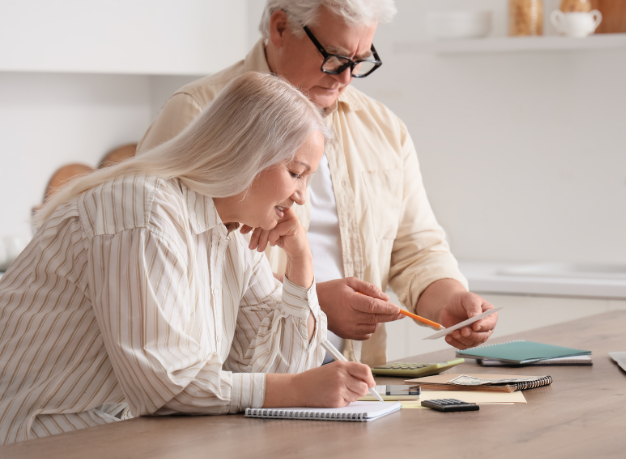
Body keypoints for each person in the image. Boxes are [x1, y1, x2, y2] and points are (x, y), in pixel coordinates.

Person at [0, 72, 377, 445]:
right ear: (247, 153)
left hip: (129, 432)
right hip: (40, 435)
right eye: (296, 173)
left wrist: (301, 262)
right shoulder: (143, 211)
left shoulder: (233, 232)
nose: (300, 197)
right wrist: (294, 390)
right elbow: (166, 386)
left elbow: (279, 369)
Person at [138, 0, 498, 365]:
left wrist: (449, 300)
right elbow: (162, 259)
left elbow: (416, 248)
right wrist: (312, 299)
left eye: (360, 62)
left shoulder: (385, 130)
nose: (345, 78)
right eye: (335, 57)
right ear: (280, 28)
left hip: (354, 377)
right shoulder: (197, 112)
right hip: (236, 380)